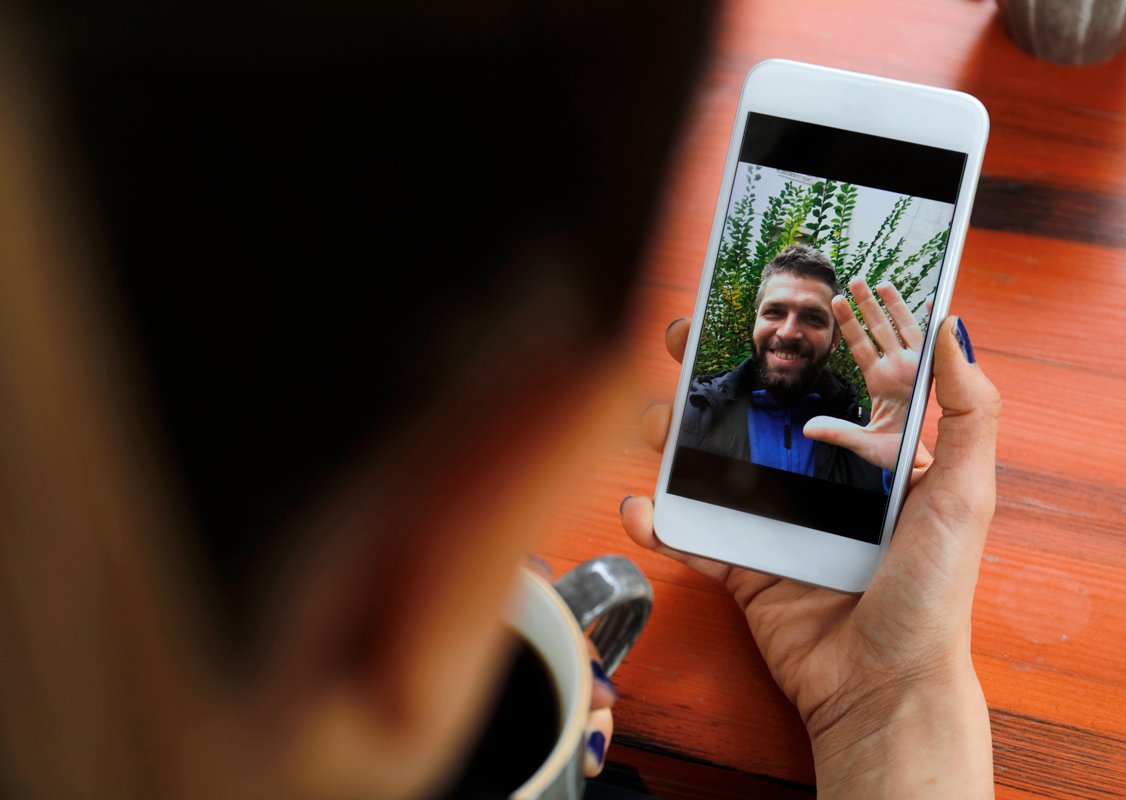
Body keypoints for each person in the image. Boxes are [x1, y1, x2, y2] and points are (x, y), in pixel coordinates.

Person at [0, 3, 999, 800]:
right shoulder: (726, 404)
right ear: (429, 561)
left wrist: (879, 697)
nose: (785, 333)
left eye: (807, 320)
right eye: (773, 313)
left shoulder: (839, 430)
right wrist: (897, 713)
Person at [681, 243, 929, 491]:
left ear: (834, 340)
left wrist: (901, 461)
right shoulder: (693, 411)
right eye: (774, 312)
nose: (788, 332)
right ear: (756, 322)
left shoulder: (876, 437)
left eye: (813, 318)